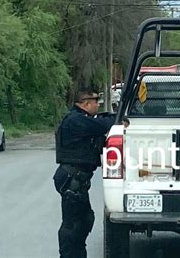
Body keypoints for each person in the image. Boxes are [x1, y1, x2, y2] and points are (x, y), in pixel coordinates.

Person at [53, 88, 116, 258]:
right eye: (96, 102)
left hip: (77, 180)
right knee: (72, 228)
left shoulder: (81, 119)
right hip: (72, 179)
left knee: (84, 222)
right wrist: (118, 119)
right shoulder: (75, 121)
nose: (98, 105)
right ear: (86, 103)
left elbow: (101, 120)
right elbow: (102, 125)